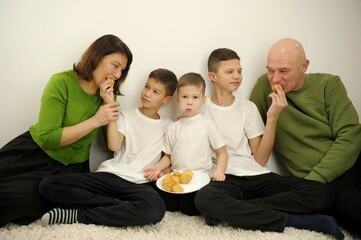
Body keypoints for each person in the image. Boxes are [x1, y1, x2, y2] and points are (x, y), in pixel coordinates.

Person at [194, 48, 345, 240]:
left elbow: (260, 159)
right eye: (229, 72)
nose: (237, 76)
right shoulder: (199, 108)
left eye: (239, 71)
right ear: (212, 76)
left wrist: (272, 117)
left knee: (322, 193)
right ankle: (300, 221)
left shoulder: (247, 108)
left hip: (257, 176)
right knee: (204, 199)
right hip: (224, 178)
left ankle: (236, 209)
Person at [0, 34, 133, 227]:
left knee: (19, 204)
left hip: (70, 168)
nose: (118, 75)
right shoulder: (61, 82)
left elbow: (113, 145)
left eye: (123, 69)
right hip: (34, 155)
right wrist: (96, 121)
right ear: (97, 57)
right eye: (115, 65)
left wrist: (110, 104)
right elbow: (48, 138)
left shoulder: (107, 96)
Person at [250, 38, 361, 237]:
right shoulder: (263, 87)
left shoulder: (329, 84)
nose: (275, 79)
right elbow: (247, 129)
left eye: (283, 71)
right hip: (329, 184)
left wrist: (313, 181)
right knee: (353, 209)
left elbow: (350, 135)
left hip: (350, 161)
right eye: (270, 70)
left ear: (304, 66)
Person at [38, 68, 177, 227]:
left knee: (156, 209)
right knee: (48, 185)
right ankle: (121, 206)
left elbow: (171, 156)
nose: (147, 93)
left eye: (155, 92)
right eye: (146, 87)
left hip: (140, 183)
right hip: (111, 176)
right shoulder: (125, 115)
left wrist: (162, 169)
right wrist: (109, 103)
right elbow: (114, 144)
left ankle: (79, 216)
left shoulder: (170, 126)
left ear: (166, 99)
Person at [144, 72, 228, 216]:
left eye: (195, 97)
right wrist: (157, 168)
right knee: (163, 201)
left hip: (201, 178)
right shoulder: (173, 127)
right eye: (184, 97)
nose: (189, 102)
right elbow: (168, 157)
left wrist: (220, 171)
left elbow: (222, 152)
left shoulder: (207, 124)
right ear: (177, 99)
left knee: (190, 207)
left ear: (203, 100)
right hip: (178, 177)